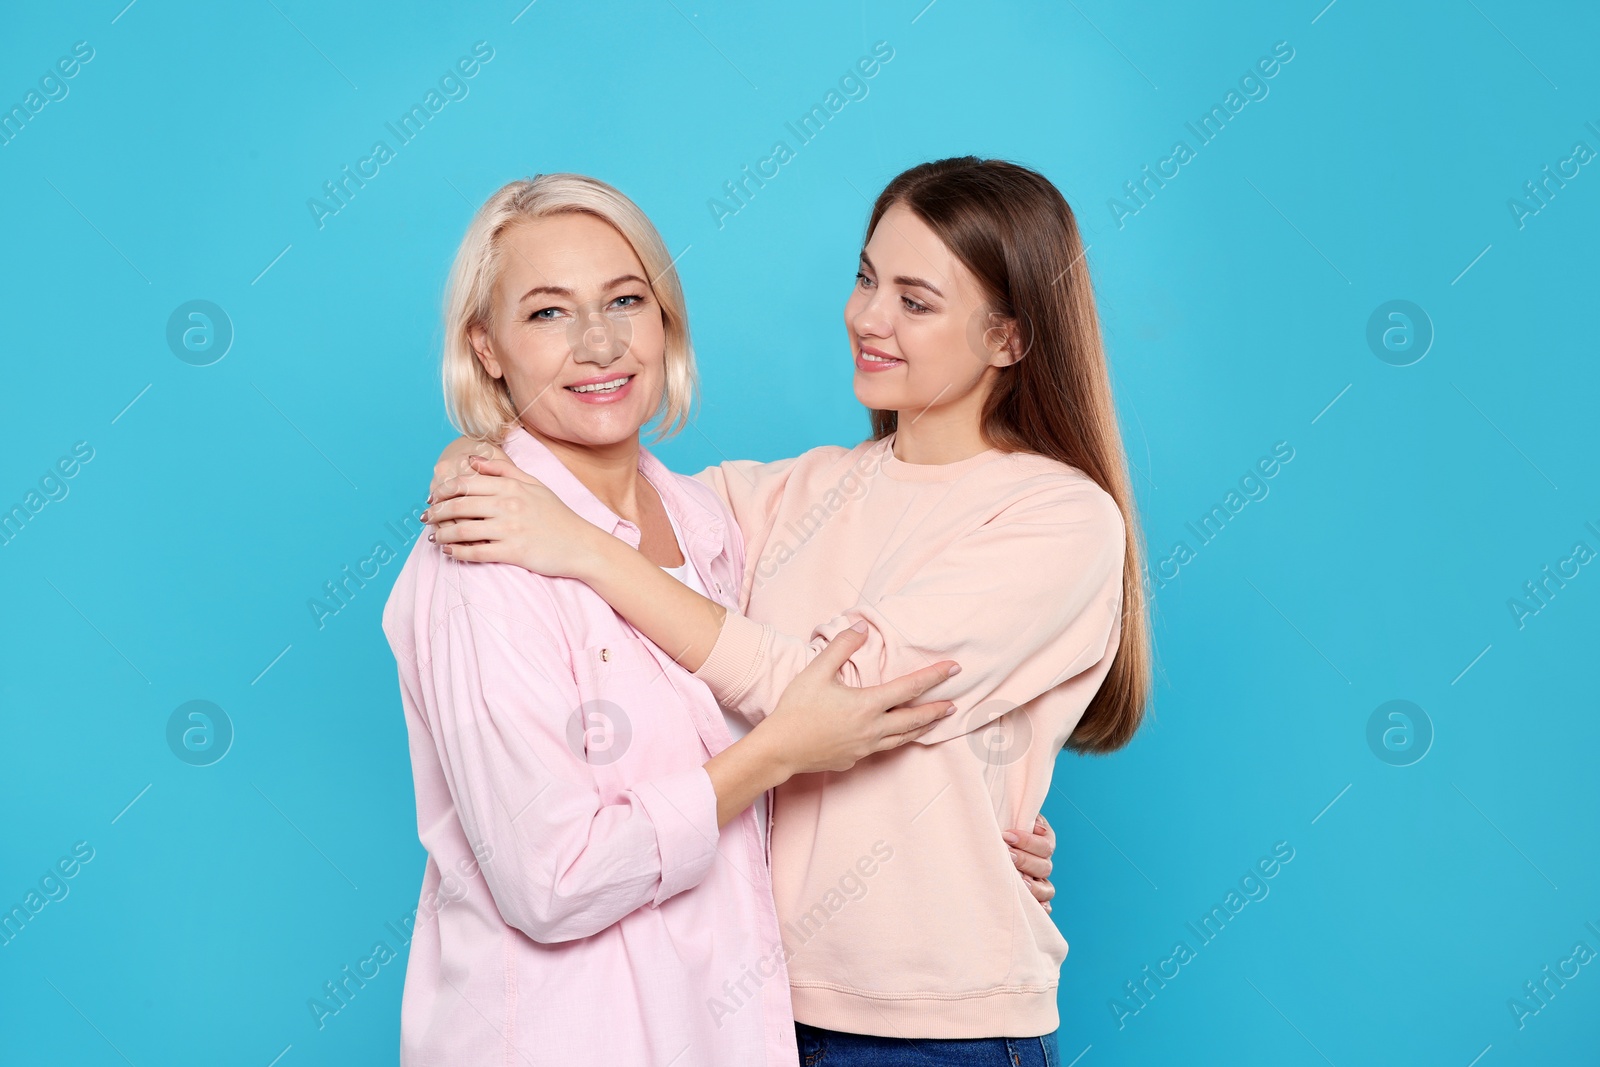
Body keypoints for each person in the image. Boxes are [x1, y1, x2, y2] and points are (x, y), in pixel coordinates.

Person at [426, 156, 1151, 1064]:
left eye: (915, 301)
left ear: (1008, 338)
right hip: (747, 1008)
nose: (867, 318)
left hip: (927, 1029)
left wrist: (581, 552)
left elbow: (839, 697)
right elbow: (609, 492)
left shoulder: (1058, 517)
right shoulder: (788, 496)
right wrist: (475, 453)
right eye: (865, 278)